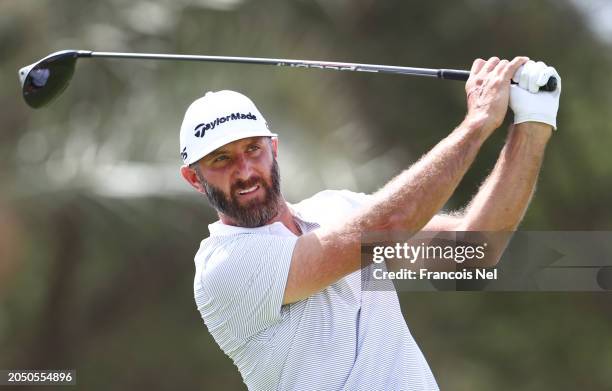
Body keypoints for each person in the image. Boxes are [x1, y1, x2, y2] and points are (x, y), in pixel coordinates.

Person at [179, 56, 561, 390]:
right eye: (221, 160)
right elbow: (391, 221)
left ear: (273, 149)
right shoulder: (223, 268)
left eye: (252, 149)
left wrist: (533, 124)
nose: (245, 171)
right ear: (194, 179)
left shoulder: (336, 208)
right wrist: (476, 125)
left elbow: (471, 251)